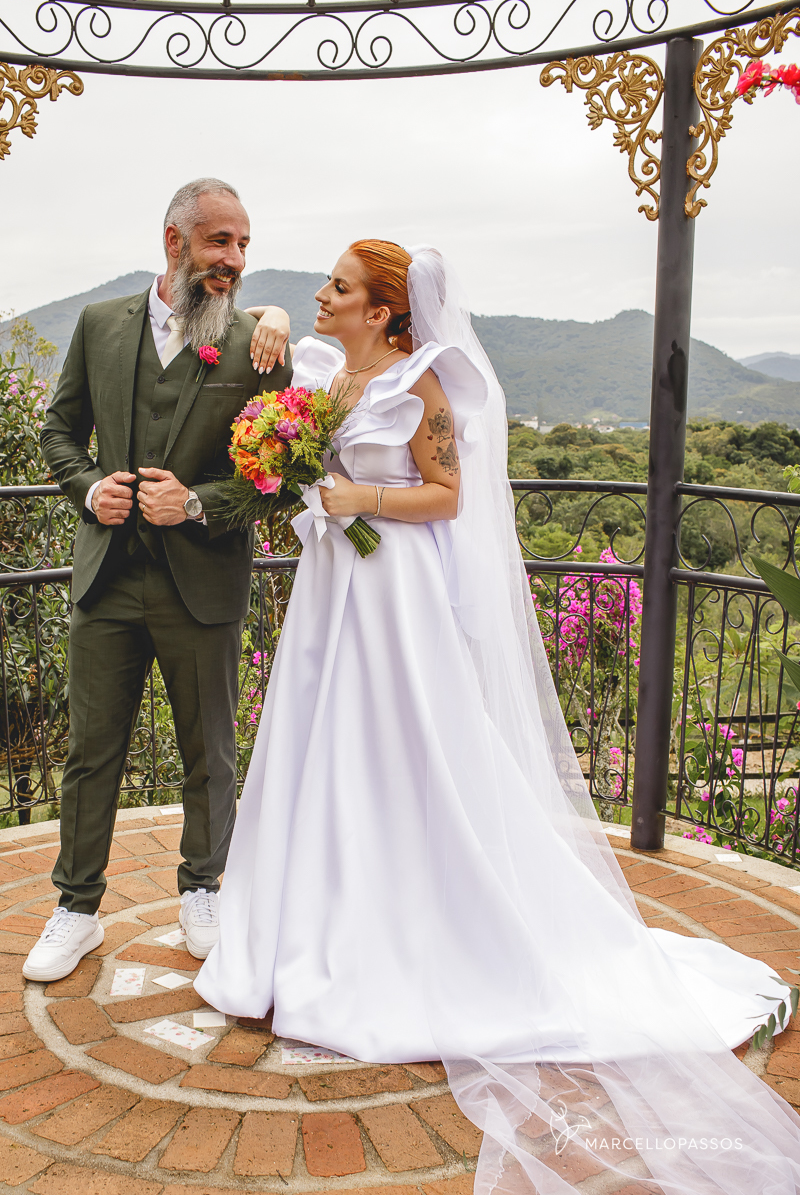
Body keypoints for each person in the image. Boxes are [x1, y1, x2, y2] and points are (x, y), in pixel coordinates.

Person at [196, 240, 800, 1194]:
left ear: (384, 310)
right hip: (330, 586)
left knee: (403, 754)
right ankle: (303, 930)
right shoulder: (325, 379)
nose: (321, 294)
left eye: (339, 287)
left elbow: (449, 496)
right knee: (321, 750)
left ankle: (411, 931)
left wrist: (358, 497)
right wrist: (298, 466)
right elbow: (263, 361)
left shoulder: (423, 384)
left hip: (392, 595)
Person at [23, 178, 293, 980]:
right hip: (107, 579)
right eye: (220, 241)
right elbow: (59, 431)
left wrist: (197, 503)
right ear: (175, 241)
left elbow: (277, 476)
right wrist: (88, 488)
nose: (234, 259)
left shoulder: (257, 345)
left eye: (243, 244)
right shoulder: (99, 324)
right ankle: (76, 908)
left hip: (202, 584)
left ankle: (204, 889)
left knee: (210, 750)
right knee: (90, 752)